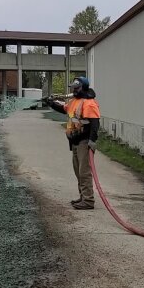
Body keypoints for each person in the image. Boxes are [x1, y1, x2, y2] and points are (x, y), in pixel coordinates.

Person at [46, 76, 100, 210]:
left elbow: (95, 123)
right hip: (75, 141)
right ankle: (83, 197)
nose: (74, 90)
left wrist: (92, 141)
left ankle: (88, 200)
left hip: (84, 142)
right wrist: (51, 103)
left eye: (77, 88)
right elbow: (64, 109)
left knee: (84, 172)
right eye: (73, 88)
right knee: (78, 171)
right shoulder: (74, 101)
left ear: (83, 87)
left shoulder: (89, 103)